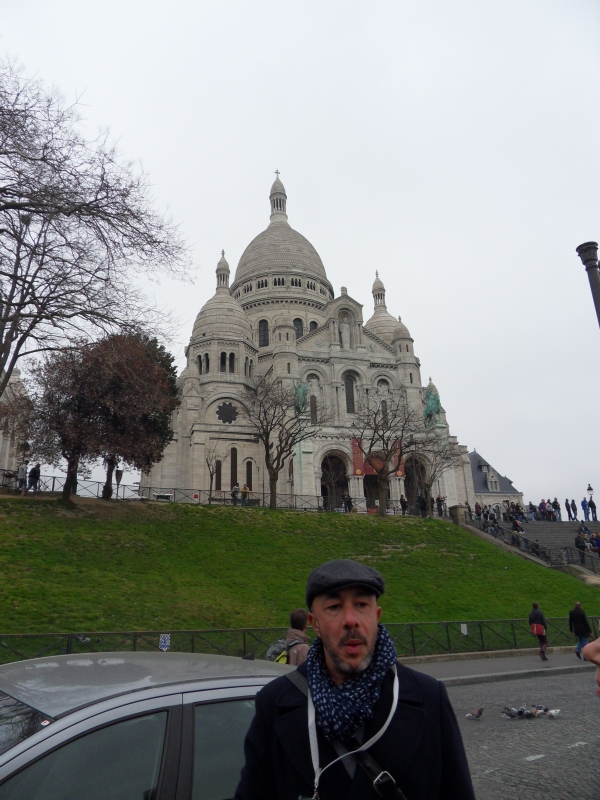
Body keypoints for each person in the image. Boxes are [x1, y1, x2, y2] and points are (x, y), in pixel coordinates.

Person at [236, 559, 475, 800]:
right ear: (314, 624)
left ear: (376, 616)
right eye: (334, 607)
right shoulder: (273, 704)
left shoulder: (430, 697)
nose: (350, 620)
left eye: (361, 605)